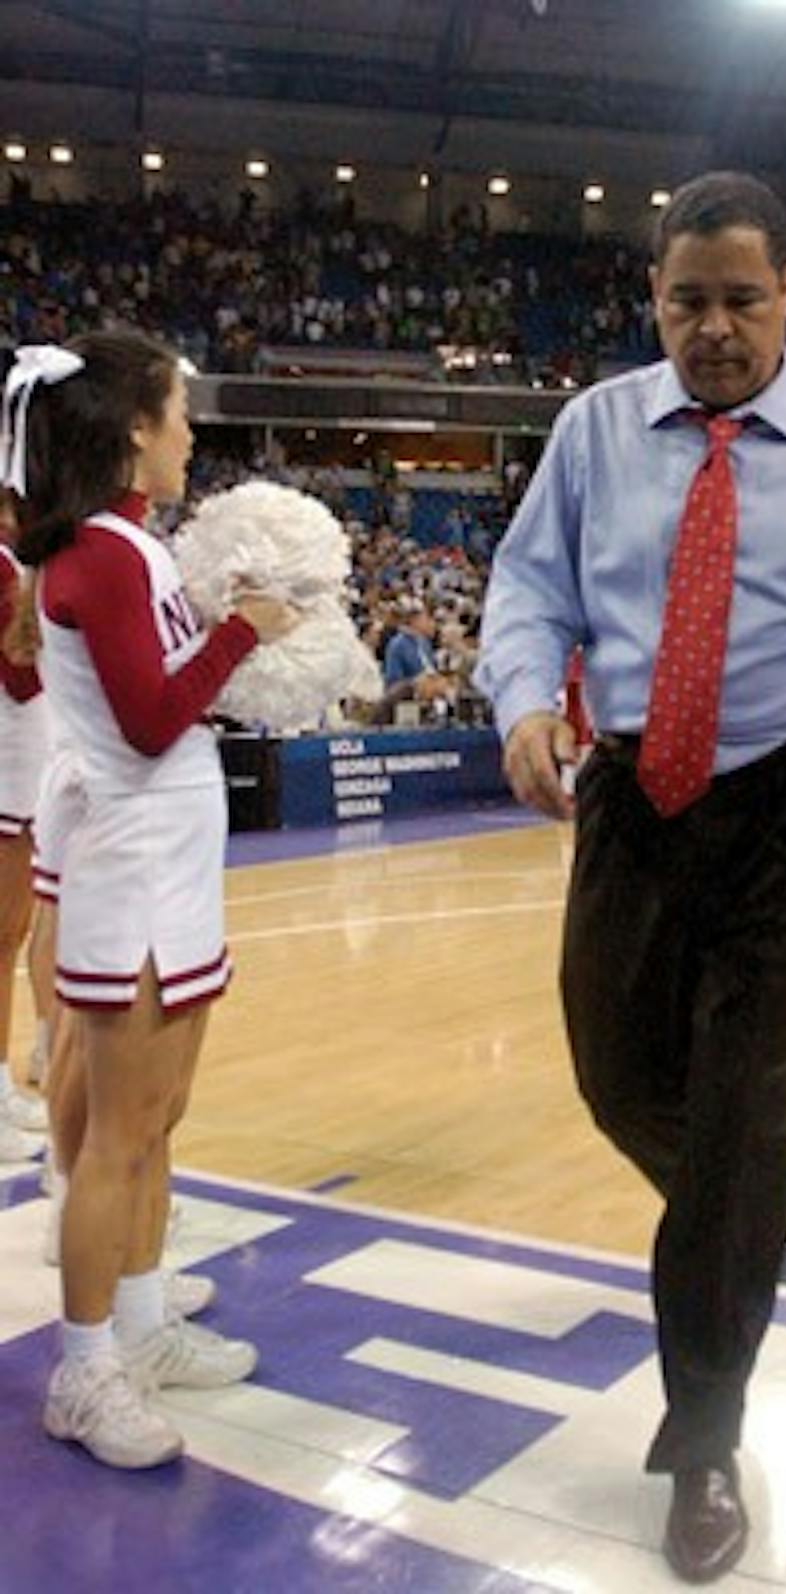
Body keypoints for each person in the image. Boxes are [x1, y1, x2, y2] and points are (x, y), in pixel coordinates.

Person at [475, 172, 786, 1584]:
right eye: (687, 300)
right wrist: (520, 698)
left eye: (743, 300)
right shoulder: (592, 432)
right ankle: (740, 1219)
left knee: (750, 1104)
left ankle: (703, 1439)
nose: (714, 328)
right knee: (615, 1071)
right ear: (654, 299)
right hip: (630, 789)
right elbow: (528, 587)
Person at [3, 331, 299, 1470]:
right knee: (117, 1135)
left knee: (158, 1122)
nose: (189, 433)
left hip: (168, 858)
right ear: (134, 429)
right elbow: (147, 718)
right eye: (178, 412)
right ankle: (82, 1373)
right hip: (131, 865)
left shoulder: (122, 545)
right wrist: (242, 630)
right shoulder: (106, 556)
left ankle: (140, 1323)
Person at [0, 488, 50, 1159]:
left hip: (22, 766)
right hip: (8, 765)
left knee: (12, 934)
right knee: (4, 934)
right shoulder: (7, 570)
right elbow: (21, 674)